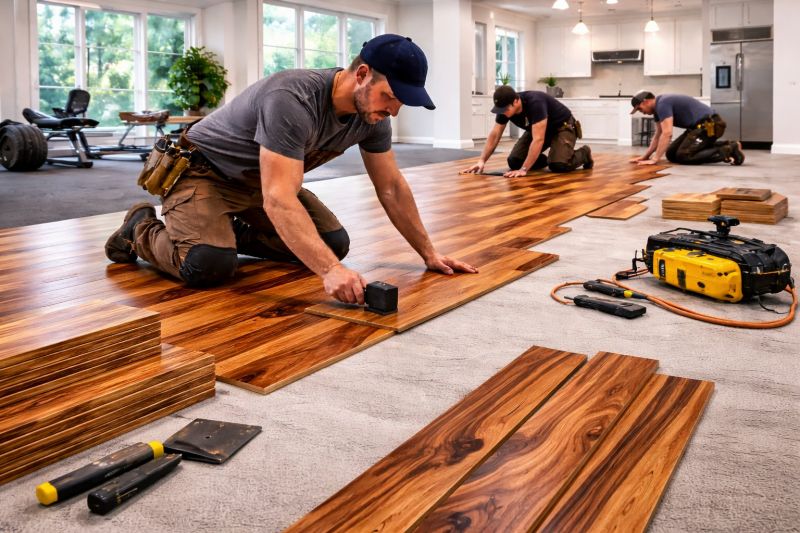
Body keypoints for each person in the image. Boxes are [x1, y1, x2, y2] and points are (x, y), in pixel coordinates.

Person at [105, 34, 477, 305]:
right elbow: (280, 197)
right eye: (391, 98)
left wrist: (429, 254)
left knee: (333, 245)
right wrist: (330, 272)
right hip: (203, 174)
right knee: (208, 266)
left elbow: (392, 188)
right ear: (362, 74)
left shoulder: (372, 117)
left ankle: (221, 231)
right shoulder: (293, 98)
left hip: (259, 184)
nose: (394, 111)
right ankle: (139, 228)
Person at [462, 85, 593, 177]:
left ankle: (584, 153)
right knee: (514, 161)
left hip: (562, 127)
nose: (503, 113)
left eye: (505, 109)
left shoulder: (535, 102)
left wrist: (524, 169)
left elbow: (538, 139)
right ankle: (552, 157)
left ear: (516, 101)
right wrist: (482, 161)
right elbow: (495, 134)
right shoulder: (504, 108)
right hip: (538, 130)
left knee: (558, 165)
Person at [629, 90, 745, 166]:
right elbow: (658, 135)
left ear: (646, 101)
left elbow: (667, 133)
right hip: (698, 128)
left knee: (684, 155)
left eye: (640, 109)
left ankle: (729, 149)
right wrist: (645, 157)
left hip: (711, 125)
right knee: (671, 154)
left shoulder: (662, 104)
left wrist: (655, 160)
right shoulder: (658, 109)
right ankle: (727, 144)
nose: (642, 112)